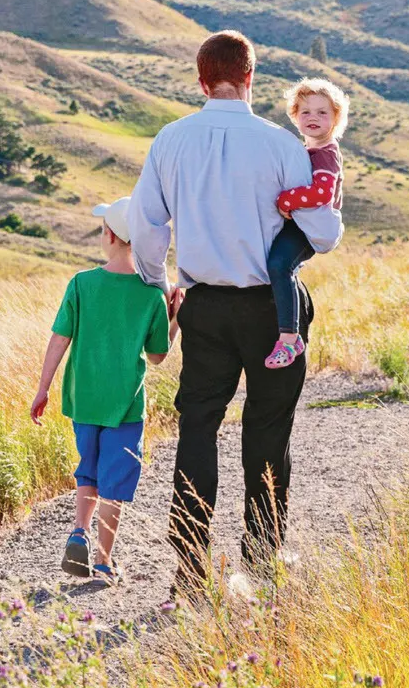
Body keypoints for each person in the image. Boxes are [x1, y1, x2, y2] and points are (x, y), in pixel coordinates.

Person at [128, 30, 343, 598]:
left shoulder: (171, 140)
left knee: (197, 427)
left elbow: (147, 228)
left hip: (203, 305)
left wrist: (161, 284)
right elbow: (323, 234)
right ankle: (263, 561)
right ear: (251, 77)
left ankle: (189, 567)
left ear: (202, 82)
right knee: (268, 430)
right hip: (274, 310)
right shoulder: (281, 146)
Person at [30, 196, 181, 585]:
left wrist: (43, 388)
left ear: (110, 236)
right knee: (114, 483)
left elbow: (59, 339)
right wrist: (175, 319)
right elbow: (157, 356)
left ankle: (79, 531)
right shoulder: (151, 295)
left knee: (89, 470)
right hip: (125, 406)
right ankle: (102, 561)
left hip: (83, 398)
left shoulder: (81, 284)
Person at [265, 77, 350, 370]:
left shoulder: (326, 153)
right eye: (306, 112)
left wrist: (285, 200)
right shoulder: (306, 149)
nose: (313, 117)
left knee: (279, 265)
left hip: (309, 227)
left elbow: (322, 193)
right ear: (294, 116)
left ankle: (289, 339)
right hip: (299, 223)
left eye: (322, 112)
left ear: (336, 118)